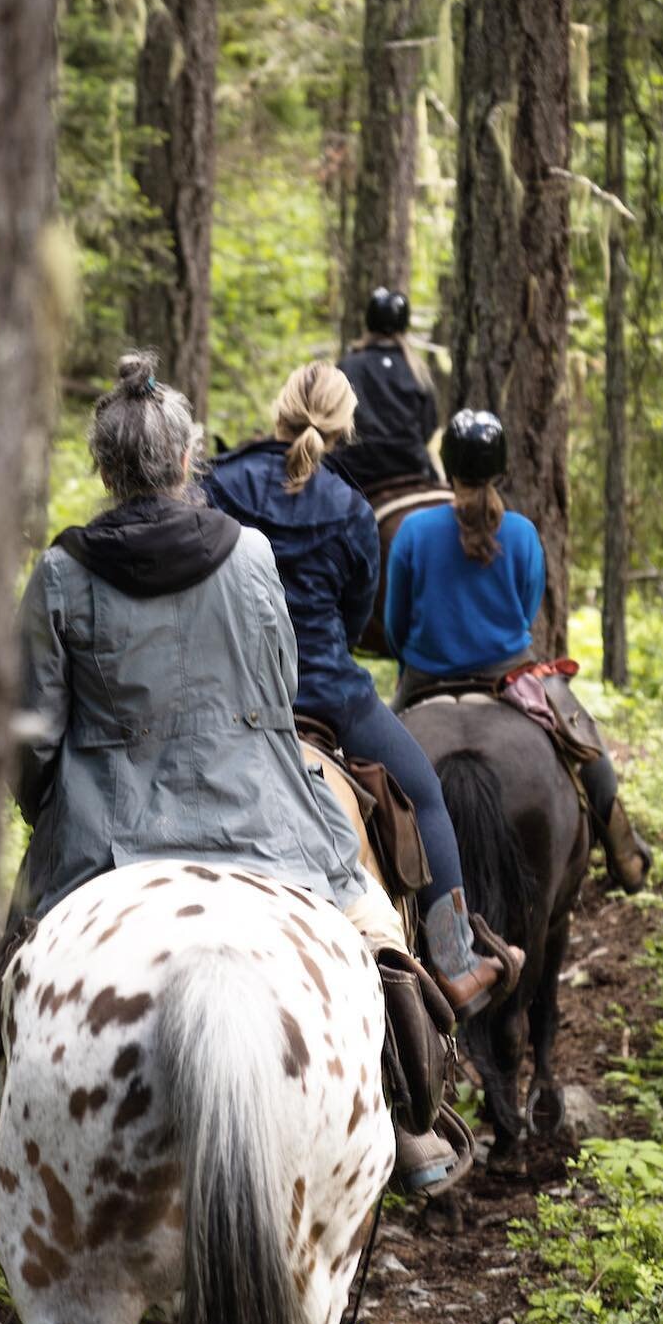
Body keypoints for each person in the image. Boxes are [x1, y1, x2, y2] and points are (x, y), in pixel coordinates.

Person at [12, 351, 461, 1191]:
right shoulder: (250, 556)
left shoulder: (60, 574)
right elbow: (277, 685)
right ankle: (410, 1116)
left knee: (12, 965)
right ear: (186, 460)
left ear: (104, 468)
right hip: (260, 813)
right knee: (375, 931)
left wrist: (49, 806)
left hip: (104, 834)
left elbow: (34, 735)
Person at [203, 361, 524, 1017]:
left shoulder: (221, 482)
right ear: (345, 428)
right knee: (428, 799)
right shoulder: (351, 508)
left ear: (280, 410)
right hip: (329, 697)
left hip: (234, 696)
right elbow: (354, 620)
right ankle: (457, 962)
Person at [385, 408, 652, 894]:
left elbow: (394, 622)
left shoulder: (413, 533)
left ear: (446, 468)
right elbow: (528, 610)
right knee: (584, 739)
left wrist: (418, 657)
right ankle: (625, 852)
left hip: (424, 678)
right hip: (510, 676)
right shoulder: (524, 534)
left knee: (365, 759)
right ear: (502, 470)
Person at [330, 287, 440, 492]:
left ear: (369, 322)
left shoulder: (348, 365)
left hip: (358, 469)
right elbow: (429, 424)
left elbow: (333, 422)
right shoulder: (417, 369)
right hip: (412, 465)